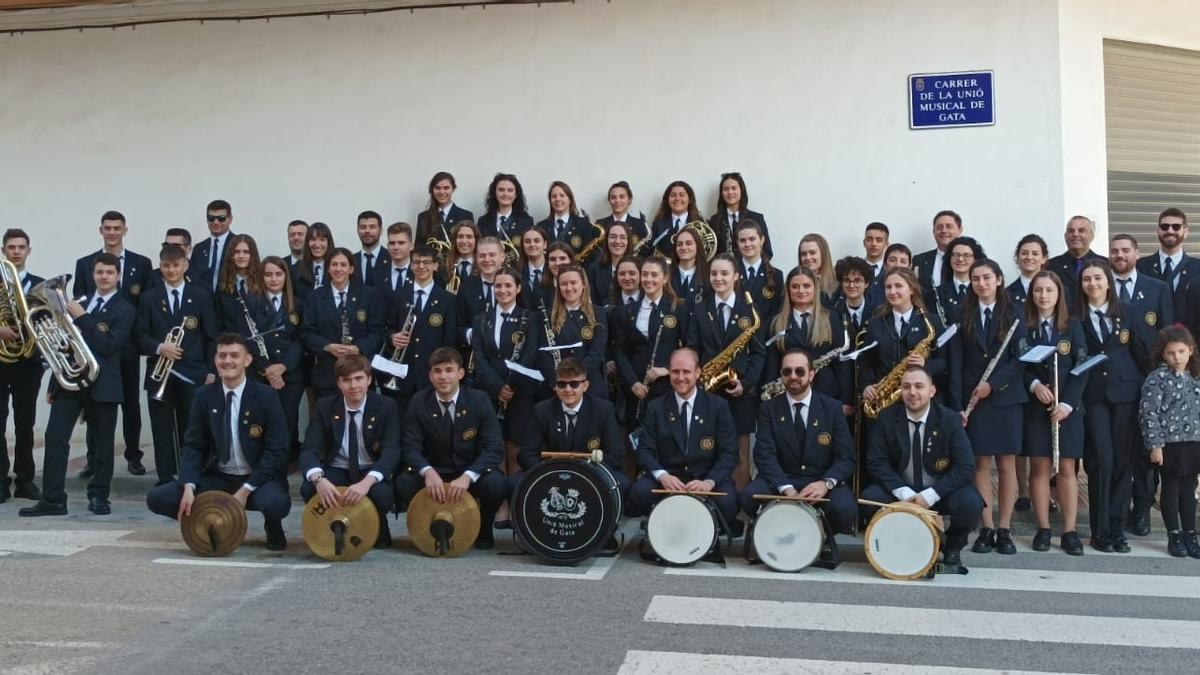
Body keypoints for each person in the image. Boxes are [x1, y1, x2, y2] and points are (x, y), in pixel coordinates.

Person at [144, 334, 291, 550]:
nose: (227, 361)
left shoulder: (266, 396)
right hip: (219, 478)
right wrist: (189, 486)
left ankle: (273, 525)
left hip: (257, 479)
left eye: (234, 355)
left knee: (275, 504)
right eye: (222, 355)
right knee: (157, 498)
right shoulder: (203, 396)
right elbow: (193, 445)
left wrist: (245, 490)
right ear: (215, 360)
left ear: (247, 360)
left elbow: (277, 450)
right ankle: (211, 522)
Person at [20, 253, 133, 517]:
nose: (103, 277)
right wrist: (53, 384)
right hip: (69, 383)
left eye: (109, 272)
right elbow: (61, 344)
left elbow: (109, 345)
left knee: (103, 444)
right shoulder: (78, 303)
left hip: (104, 383)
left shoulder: (125, 309)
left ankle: (99, 496)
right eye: (99, 272)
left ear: (118, 276)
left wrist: (82, 318)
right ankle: (53, 499)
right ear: (93, 275)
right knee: (55, 437)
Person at [741, 349, 855, 564]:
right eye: (787, 371)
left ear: (812, 374)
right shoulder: (769, 408)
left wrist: (825, 483)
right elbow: (763, 454)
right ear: (782, 375)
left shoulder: (831, 409)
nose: (793, 376)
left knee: (846, 509)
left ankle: (820, 536)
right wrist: (786, 488)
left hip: (819, 479)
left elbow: (846, 457)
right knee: (748, 496)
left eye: (800, 371)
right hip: (783, 479)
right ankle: (772, 534)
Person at [862, 366, 984, 567]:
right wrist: (904, 493)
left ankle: (951, 547)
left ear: (932, 391)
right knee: (869, 499)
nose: (912, 392)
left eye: (919, 386)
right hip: (901, 491)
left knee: (971, 503)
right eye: (906, 387)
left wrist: (931, 495)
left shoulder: (950, 419)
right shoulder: (886, 417)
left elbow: (965, 466)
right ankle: (898, 543)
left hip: (939, 492)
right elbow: (876, 462)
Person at [948, 259, 1026, 556]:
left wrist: (993, 385)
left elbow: (1019, 360)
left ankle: (1005, 528)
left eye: (986, 278)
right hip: (973, 399)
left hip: (1005, 398)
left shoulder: (1015, 312)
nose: (981, 283)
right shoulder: (962, 313)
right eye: (976, 279)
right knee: (979, 464)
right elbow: (956, 362)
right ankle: (986, 526)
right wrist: (958, 404)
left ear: (999, 280)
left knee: (1006, 465)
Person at [395, 347, 507, 549]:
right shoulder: (419, 401)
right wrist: (427, 471)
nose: (443, 377)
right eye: (437, 371)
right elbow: (410, 447)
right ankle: (426, 525)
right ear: (430, 376)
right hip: (434, 473)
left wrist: (468, 476)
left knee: (496, 483)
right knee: (404, 482)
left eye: (449, 370)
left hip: (467, 472)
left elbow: (494, 448)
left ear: (460, 373)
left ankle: (484, 527)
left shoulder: (479, 400)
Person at [1078, 259, 1152, 553]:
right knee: (1101, 462)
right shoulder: (1075, 316)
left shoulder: (1129, 312)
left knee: (1123, 463)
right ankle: (1100, 531)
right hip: (1093, 397)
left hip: (1126, 396)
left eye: (1097, 278)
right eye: (1086, 279)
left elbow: (1143, 354)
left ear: (1108, 281)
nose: (1092, 284)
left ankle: (1117, 530)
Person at [73, 210, 151, 478]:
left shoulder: (142, 263)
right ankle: (93, 458)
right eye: (108, 228)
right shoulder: (85, 264)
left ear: (125, 231)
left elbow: (144, 308)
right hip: (95, 348)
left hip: (127, 346)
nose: (112, 232)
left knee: (131, 402)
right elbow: (81, 304)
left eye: (117, 228)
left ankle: (133, 455)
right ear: (101, 231)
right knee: (93, 403)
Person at [628, 348, 739, 532]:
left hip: (704, 476)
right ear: (669, 372)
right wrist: (662, 475)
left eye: (686, 372)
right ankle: (659, 529)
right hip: (669, 476)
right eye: (675, 371)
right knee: (639, 493)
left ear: (697, 372)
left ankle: (706, 533)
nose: (680, 377)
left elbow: (729, 452)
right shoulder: (656, 407)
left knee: (729, 502)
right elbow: (645, 450)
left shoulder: (718, 406)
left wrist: (710, 482)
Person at [135, 244, 218, 485]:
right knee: (161, 430)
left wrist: (211, 372)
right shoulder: (150, 298)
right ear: (160, 267)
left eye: (176, 265)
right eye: (166, 266)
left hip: (192, 374)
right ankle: (164, 479)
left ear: (185, 265)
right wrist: (161, 347)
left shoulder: (200, 296)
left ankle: (190, 476)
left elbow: (211, 336)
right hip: (159, 374)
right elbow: (139, 335)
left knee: (190, 430)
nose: (171, 270)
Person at [300, 354, 401, 548]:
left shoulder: (386, 406)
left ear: (369, 379)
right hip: (337, 468)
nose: (353, 386)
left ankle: (378, 522)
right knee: (309, 488)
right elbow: (309, 449)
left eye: (358, 378)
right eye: (346, 380)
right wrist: (319, 480)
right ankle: (332, 524)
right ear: (338, 383)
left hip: (369, 469)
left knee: (382, 494)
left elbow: (392, 451)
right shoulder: (325, 406)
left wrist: (367, 483)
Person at [1110, 233, 1174, 535]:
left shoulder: (1158, 289)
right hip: (1116, 383)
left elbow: (1168, 333)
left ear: (1137, 254)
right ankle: (1119, 510)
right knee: (1121, 449)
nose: (1120, 255)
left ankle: (1143, 509)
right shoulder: (1100, 285)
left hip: (1150, 380)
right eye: (1114, 251)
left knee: (1147, 450)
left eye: (1125, 250)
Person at [1022, 271, 1088, 555]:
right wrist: (1035, 385)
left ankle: (1069, 530)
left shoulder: (1072, 327)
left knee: (1067, 469)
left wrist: (1068, 405)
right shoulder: (1025, 326)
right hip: (1038, 409)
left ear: (1059, 293)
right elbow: (1020, 365)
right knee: (1039, 469)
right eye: (1038, 290)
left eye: (1049, 290)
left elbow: (1081, 368)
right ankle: (1044, 528)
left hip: (1067, 410)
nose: (1043, 296)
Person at [686, 254, 764, 490]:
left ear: (736, 277)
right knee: (707, 449)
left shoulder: (750, 312)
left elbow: (759, 354)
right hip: (707, 391)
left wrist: (746, 383)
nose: (718, 278)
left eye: (724, 273)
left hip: (738, 393)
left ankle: (739, 505)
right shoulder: (700, 310)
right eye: (714, 273)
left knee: (740, 453)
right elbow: (693, 348)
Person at [517, 357, 630, 501]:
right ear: (555, 387)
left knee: (623, 484)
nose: (568, 390)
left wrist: (582, 471)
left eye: (574, 384)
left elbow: (616, 455)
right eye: (562, 384)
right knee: (513, 483)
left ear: (585, 385)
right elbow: (526, 455)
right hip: (553, 473)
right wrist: (551, 471)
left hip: (591, 473)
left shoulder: (603, 409)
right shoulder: (542, 410)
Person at [1140, 325, 1200, 558]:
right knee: (1171, 489)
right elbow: (1148, 413)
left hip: (1193, 442)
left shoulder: (1196, 377)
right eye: (1171, 353)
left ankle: (1190, 534)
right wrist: (1155, 445)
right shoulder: (1157, 379)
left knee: (1189, 489)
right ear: (1163, 354)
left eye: (1181, 352)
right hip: (1169, 445)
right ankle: (1174, 535)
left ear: (1191, 351)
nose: (1177, 357)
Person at [859, 268, 949, 416]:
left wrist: (925, 365)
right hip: (885, 402)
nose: (892, 291)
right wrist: (867, 385)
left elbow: (944, 362)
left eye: (898, 286)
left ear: (912, 289)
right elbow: (866, 363)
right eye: (888, 287)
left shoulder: (932, 322)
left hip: (921, 403)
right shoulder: (875, 324)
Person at [300, 248, 386, 401]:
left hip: (360, 372)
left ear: (351, 268)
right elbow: (306, 333)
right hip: (327, 373)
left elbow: (377, 331)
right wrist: (328, 346)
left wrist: (358, 348)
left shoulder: (369, 295)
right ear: (328, 268)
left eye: (343, 265)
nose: (338, 269)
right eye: (334, 264)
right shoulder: (314, 297)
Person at [382, 244, 457, 414]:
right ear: (411, 265)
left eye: (426, 262)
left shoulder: (447, 300)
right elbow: (387, 328)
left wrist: (443, 372)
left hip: (432, 373)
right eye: (416, 262)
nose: (421, 266)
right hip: (403, 373)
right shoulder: (399, 295)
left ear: (435, 266)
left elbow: (449, 340)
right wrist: (393, 337)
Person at [613, 257, 688, 424]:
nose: (649, 279)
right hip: (637, 389)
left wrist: (668, 370)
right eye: (645, 275)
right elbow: (620, 351)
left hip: (668, 387)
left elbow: (689, 348)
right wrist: (632, 382)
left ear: (665, 278)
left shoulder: (677, 308)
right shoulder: (627, 311)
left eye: (654, 275)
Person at [0, 229, 44, 503]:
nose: (16, 251)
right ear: (4, 251)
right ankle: (0, 481)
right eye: (11, 247)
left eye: (21, 247)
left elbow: (50, 320)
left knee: (25, 423)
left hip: (28, 362)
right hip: (1, 361)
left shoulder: (40, 285)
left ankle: (26, 479)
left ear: (29, 250)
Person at [765, 267, 851, 408]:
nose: (801, 291)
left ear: (815, 289)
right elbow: (772, 365)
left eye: (806, 286)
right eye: (795, 286)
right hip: (788, 395)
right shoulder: (776, 323)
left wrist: (846, 400)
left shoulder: (831, 318)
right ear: (788, 290)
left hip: (827, 395)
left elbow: (842, 364)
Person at [259, 256, 306, 460]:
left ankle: (284, 462)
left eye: (278, 274)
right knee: (263, 419)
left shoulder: (298, 304)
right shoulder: (251, 303)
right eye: (268, 274)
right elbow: (248, 341)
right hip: (261, 374)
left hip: (291, 374)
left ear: (286, 276)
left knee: (287, 419)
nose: (274, 279)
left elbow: (301, 338)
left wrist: (284, 366)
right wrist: (269, 369)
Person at [539, 264, 607, 398]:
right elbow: (544, 354)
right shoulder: (547, 316)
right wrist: (559, 381)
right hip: (558, 388)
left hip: (589, 385)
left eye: (573, 283)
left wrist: (576, 379)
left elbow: (597, 352)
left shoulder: (598, 313)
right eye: (564, 284)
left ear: (583, 284)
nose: (569, 288)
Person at [1136, 208, 1198, 318]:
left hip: (1189, 334)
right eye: (1164, 227)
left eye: (1176, 227)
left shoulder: (1197, 268)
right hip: (1152, 333)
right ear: (1158, 230)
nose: (1170, 231)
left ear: (1186, 232)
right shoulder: (1141, 266)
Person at [708, 172, 773, 257]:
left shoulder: (757, 218)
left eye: (734, 188)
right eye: (726, 189)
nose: (730, 192)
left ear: (741, 190)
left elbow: (767, 251)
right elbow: (712, 254)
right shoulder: (714, 220)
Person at [1047, 215, 1105, 310]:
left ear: (1092, 236)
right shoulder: (1051, 266)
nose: (1075, 234)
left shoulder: (1105, 264)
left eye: (1081, 230)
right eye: (1071, 231)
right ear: (1065, 236)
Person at [456, 236, 503, 350]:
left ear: (502, 257)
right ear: (476, 258)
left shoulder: (514, 284)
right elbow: (457, 326)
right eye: (482, 255)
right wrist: (472, 334)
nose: (487, 259)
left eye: (492, 255)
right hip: (475, 355)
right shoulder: (465, 288)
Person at [931, 235, 986, 327]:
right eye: (956, 255)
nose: (960, 259)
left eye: (966, 255)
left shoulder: (984, 291)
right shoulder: (936, 294)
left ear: (975, 259)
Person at [736, 220, 782, 321]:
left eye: (752, 239)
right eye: (742, 240)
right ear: (737, 243)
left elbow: (777, 313)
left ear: (762, 240)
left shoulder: (776, 276)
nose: (747, 244)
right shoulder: (730, 273)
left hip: (766, 334)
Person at [648, 181, 704, 260]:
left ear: (690, 200)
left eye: (682, 195)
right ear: (667, 200)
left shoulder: (699, 223)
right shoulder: (658, 223)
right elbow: (652, 247)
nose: (677, 198)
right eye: (673, 195)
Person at [417, 172, 475, 246]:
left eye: (446, 188)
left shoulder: (466, 216)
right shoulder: (423, 217)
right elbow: (419, 247)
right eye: (437, 188)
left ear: (453, 189)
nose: (442, 192)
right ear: (432, 190)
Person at [537, 181, 594, 256]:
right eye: (554, 196)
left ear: (570, 200)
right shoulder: (541, 226)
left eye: (562, 195)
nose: (557, 199)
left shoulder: (583, 224)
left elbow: (591, 255)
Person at [191, 199, 237, 293]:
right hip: (204, 302)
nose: (215, 222)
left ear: (230, 219)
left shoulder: (239, 245)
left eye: (221, 218)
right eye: (211, 218)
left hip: (230, 300)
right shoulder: (199, 248)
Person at [476, 172, 535, 245]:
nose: (505, 194)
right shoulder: (483, 221)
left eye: (510, 190)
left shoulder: (526, 221)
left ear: (516, 194)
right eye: (501, 190)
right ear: (494, 193)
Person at [912, 210, 963, 291]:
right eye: (939, 227)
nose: (944, 231)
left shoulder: (972, 259)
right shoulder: (919, 260)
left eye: (949, 226)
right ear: (933, 231)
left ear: (960, 230)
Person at [588, 221, 631, 309]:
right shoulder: (594, 268)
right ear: (606, 240)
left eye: (622, 237)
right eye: (613, 237)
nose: (617, 241)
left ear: (628, 241)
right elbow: (593, 302)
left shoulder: (637, 268)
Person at [372, 221, 415, 303]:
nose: (396, 247)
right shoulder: (377, 273)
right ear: (387, 246)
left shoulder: (419, 272)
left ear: (411, 246)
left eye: (401, 243)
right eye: (392, 243)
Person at [293, 222, 335, 301]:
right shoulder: (296, 268)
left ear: (328, 243)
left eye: (322, 240)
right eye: (313, 239)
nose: (317, 245)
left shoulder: (336, 268)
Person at [670, 225, 708, 306]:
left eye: (689, 243)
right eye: (679, 244)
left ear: (697, 246)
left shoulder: (707, 274)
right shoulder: (667, 274)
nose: (683, 247)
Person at [1009, 234, 1048, 306]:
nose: (1029, 257)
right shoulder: (1006, 294)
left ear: (1044, 258)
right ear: (1017, 258)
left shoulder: (1059, 290)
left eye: (1035, 254)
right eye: (1024, 253)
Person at [352, 210, 389, 287]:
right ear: (357, 230)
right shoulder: (351, 260)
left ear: (381, 231)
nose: (367, 231)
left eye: (372, 227)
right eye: (363, 227)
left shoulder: (391, 258)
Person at [798, 233, 837, 306]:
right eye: (803, 254)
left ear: (823, 254)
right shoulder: (793, 284)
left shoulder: (837, 282)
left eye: (812, 253)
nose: (808, 258)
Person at [445, 221, 480, 291]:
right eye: (460, 237)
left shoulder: (483, 266)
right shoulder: (444, 267)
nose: (464, 241)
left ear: (476, 240)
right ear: (455, 240)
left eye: (469, 237)